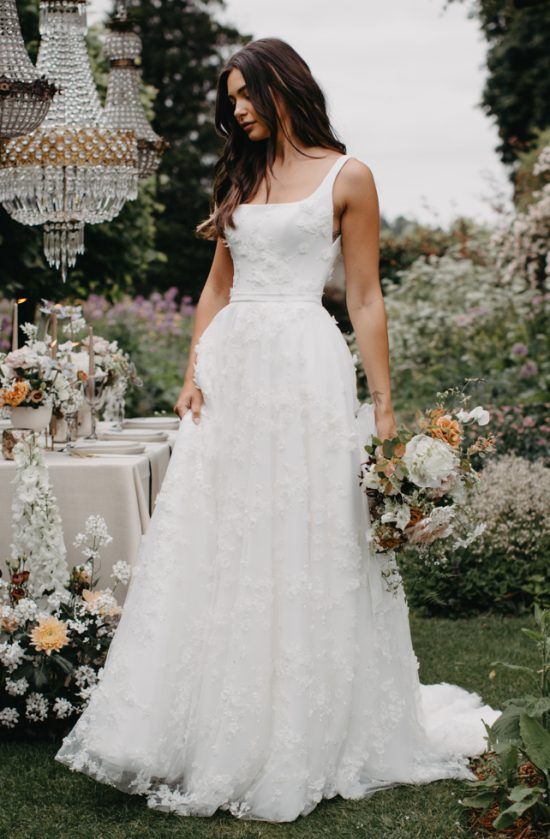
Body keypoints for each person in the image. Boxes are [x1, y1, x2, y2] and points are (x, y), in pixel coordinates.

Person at [54, 37, 499, 823]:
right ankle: (199, 719)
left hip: (305, 369)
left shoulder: (347, 175)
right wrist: (194, 369)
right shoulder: (243, 175)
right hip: (234, 372)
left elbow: (364, 298)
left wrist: (385, 407)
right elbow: (216, 284)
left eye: (245, 95)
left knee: (307, 534)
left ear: (282, 85)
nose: (237, 109)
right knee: (219, 538)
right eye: (230, 100)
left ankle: (304, 724)